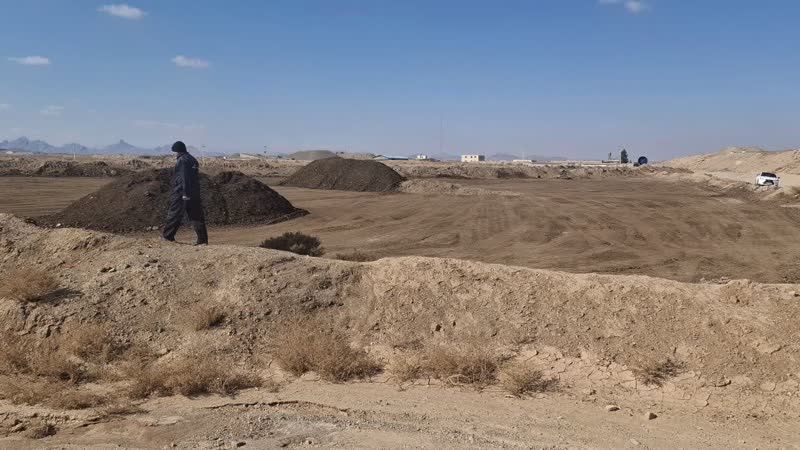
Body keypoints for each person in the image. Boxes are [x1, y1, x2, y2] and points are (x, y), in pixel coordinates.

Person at [162, 141, 208, 245]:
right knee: (196, 216)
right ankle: (202, 240)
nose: (175, 154)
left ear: (178, 151)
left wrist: (184, 193)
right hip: (194, 192)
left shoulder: (182, 160)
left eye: (175, 152)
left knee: (174, 214)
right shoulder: (193, 159)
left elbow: (184, 178)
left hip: (182, 192)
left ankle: (167, 237)